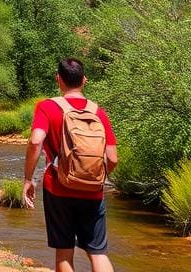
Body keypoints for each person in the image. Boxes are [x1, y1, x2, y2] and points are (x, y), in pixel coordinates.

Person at [23, 58, 118, 272]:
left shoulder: (47, 107)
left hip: (57, 188)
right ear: (84, 80)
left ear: (59, 79)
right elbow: (112, 158)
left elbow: (36, 141)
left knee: (64, 251)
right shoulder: (98, 112)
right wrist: (95, 178)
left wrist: (28, 179)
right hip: (93, 192)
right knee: (98, 252)